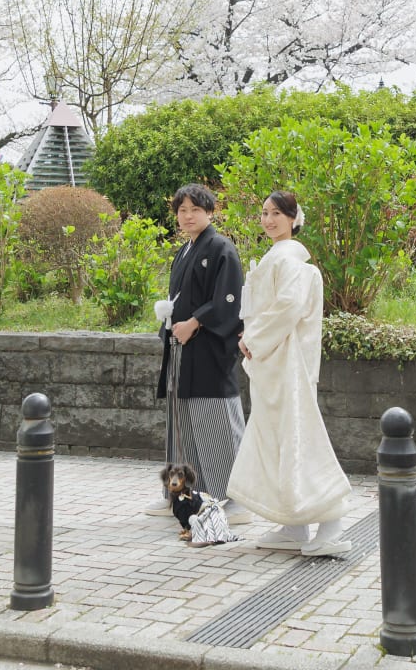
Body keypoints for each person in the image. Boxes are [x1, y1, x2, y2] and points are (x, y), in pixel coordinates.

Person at [227, 190, 355, 557]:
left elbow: (288, 306)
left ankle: (332, 526)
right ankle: (295, 525)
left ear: (293, 219)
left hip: (286, 365)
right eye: (265, 213)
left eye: (277, 214)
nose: (268, 220)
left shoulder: (288, 259)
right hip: (275, 364)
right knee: (281, 441)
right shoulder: (282, 257)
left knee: (301, 439)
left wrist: (253, 337)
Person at [145, 183, 248, 518]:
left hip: (208, 351)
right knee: (182, 428)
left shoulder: (221, 249)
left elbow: (229, 300)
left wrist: (195, 322)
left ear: (210, 212)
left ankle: (235, 500)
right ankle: (182, 496)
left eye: (195, 210)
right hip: (182, 351)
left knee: (216, 423)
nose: (187, 216)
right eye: (182, 210)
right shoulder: (186, 250)